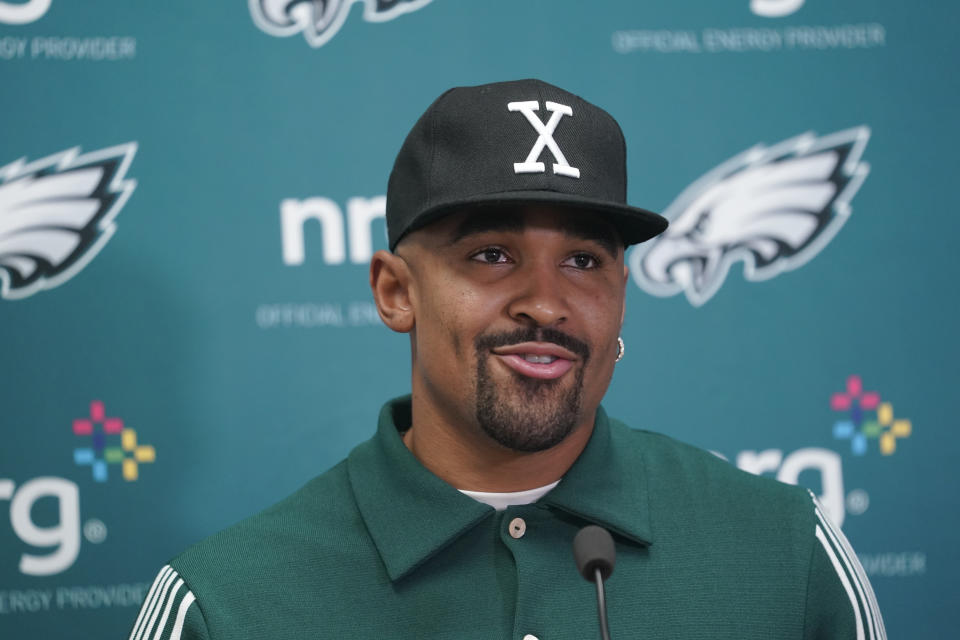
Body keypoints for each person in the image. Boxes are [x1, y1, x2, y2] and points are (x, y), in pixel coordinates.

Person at [128, 79, 884, 640]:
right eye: (492, 255)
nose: (547, 304)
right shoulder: (226, 606)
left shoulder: (784, 550)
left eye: (585, 261)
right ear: (396, 292)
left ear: (623, 293)